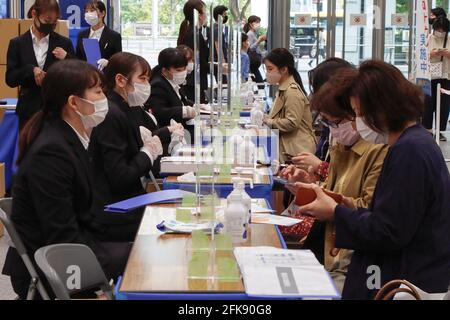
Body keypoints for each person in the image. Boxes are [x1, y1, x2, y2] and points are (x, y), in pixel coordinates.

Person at [294, 60, 450, 300]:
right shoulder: (412, 144)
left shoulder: (409, 152)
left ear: (381, 108)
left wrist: (337, 212)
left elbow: (388, 230)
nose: (358, 122)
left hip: (404, 278)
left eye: (358, 113)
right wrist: (342, 207)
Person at [1, 59, 130, 299]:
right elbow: (62, 235)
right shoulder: (52, 152)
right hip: (57, 264)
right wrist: (93, 288)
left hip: (74, 247)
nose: (104, 99)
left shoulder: (70, 138)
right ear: (73, 102)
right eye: (99, 92)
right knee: (142, 262)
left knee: (144, 246)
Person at [281, 71, 389, 293]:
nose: (333, 130)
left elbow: (370, 210)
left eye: (336, 122)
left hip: (352, 260)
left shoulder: (379, 151)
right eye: (327, 123)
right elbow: (333, 190)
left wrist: (332, 207)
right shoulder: (340, 146)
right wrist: (309, 187)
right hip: (330, 249)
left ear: (358, 114)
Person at [89, 52, 171, 242]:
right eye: (142, 79)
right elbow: (121, 176)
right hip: (116, 212)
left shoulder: (127, 108)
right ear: (120, 80)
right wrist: (147, 153)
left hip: (128, 202)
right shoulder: (112, 114)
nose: (146, 85)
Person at [6, 0, 75, 130]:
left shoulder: (63, 43)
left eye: (54, 22)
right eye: (47, 20)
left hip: (57, 111)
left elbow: (77, 74)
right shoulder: (18, 43)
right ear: (34, 14)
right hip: (28, 112)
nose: (50, 25)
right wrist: (30, 70)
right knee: (28, 149)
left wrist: (67, 57)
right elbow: (10, 79)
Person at [262, 48, 316, 162]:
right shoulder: (283, 89)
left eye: (270, 69)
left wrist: (269, 121)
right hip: (288, 148)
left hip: (297, 151)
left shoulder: (292, 92)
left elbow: (292, 122)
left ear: (284, 70)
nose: (268, 73)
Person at [148, 48, 196, 143]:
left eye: (184, 69)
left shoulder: (173, 80)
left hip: (182, 130)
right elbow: (159, 112)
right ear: (165, 71)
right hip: (171, 136)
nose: (182, 73)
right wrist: (184, 111)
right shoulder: (158, 85)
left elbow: (181, 100)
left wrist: (196, 105)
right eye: (178, 70)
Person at [177, 0, 209, 103]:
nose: (206, 14)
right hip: (193, 83)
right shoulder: (193, 34)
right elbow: (197, 62)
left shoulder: (193, 32)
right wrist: (217, 67)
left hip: (194, 82)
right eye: (205, 11)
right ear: (199, 15)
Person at [423, 17, 450, 141]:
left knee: (444, 104)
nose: (440, 32)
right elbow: (422, 56)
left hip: (445, 75)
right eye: (438, 29)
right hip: (430, 76)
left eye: (443, 30)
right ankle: (427, 129)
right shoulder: (428, 38)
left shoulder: (449, 38)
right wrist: (433, 53)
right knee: (429, 103)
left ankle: (440, 131)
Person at [76, 0, 122, 70]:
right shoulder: (81, 35)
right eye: (86, 11)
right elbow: (78, 57)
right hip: (85, 75)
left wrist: (109, 62)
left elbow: (119, 60)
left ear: (102, 13)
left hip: (104, 75)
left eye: (92, 10)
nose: (89, 14)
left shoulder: (114, 36)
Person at [244, 15, 266, 85]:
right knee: (260, 83)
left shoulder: (253, 33)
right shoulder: (250, 34)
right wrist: (259, 41)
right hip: (252, 63)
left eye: (259, 22)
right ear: (251, 24)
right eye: (256, 22)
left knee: (257, 83)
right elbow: (250, 48)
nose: (258, 24)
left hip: (255, 63)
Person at [212, 5, 229, 84]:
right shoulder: (216, 29)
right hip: (219, 62)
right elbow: (218, 47)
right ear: (219, 16)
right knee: (223, 84)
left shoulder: (218, 28)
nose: (226, 16)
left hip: (219, 62)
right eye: (224, 14)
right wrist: (223, 63)